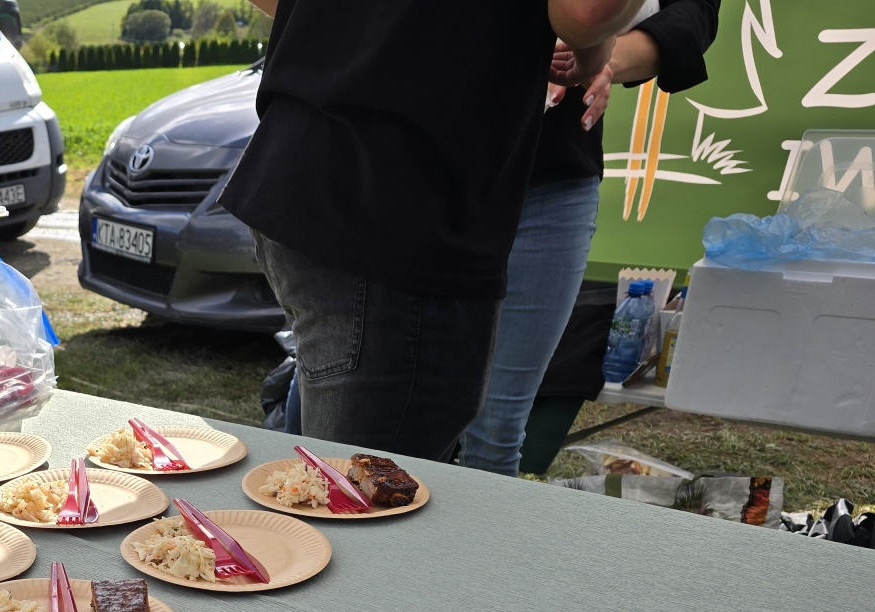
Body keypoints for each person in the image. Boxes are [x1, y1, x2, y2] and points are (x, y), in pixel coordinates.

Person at [224, 0, 649, 461]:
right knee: (368, 487)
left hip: (307, 158)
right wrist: (590, 54)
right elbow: (587, 12)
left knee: (337, 472)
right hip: (401, 199)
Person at [460, 0, 721, 476]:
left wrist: (601, 59)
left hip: (551, 175)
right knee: (385, 416)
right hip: (418, 167)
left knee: (496, 430)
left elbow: (690, 12)